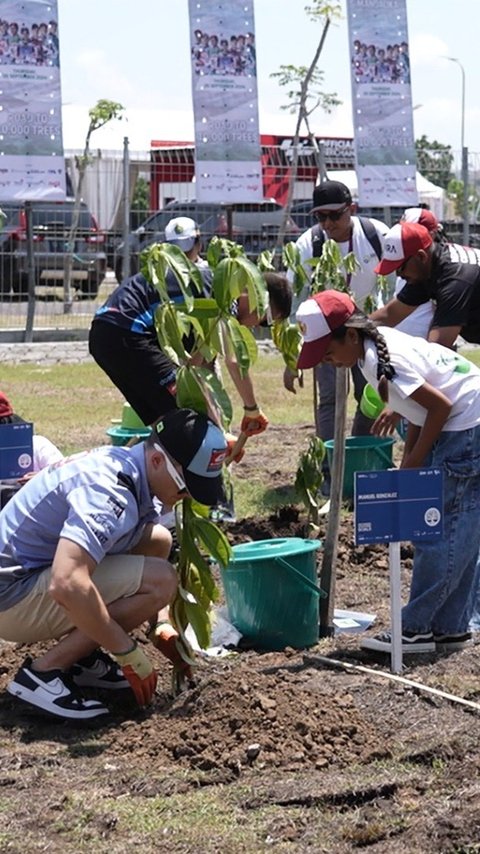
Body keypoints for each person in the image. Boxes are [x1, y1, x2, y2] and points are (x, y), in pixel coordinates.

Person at [0, 408, 228, 720]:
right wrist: (126, 650)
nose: (188, 496)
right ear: (158, 461)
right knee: (161, 580)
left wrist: (159, 622)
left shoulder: (127, 464)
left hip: (24, 579)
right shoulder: (110, 493)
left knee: (158, 540)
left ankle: (81, 659)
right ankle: (42, 674)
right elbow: (67, 584)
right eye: (186, 486)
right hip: (10, 598)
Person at [296, 289, 480, 654]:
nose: (328, 362)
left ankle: (415, 629)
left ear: (351, 334)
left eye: (328, 352)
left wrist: (412, 466)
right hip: (464, 418)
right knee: (459, 530)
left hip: (466, 424)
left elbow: (440, 407)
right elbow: (421, 410)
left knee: (442, 531)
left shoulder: (384, 361)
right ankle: (449, 627)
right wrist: (409, 457)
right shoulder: (373, 351)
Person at [89, 215, 291, 437]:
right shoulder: (224, 293)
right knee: (190, 418)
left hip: (103, 332)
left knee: (165, 421)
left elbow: (193, 366)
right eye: (266, 321)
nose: (256, 327)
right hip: (128, 331)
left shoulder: (209, 291)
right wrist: (251, 409)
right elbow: (234, 361)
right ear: (257, 298)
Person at [285, 180, 390, 493]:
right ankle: (331, 473)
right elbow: (296, 300)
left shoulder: (376, 236)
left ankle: (364, 465)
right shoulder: (309, 244)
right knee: (330, 399)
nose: (328, 224)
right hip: (326, 335)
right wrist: (293, 356)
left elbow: (395, 287)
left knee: (371, 396)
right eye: (321, 217)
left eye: (335, 216)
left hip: (368, 327)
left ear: (351, 210)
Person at [371, 220, 480, 349]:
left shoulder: (454, 280)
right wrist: (351, 329)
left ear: (421, 256)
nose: (398, 275)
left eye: (400, 267)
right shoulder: (427, 268)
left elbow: (438, 349)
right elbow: (388, 316)